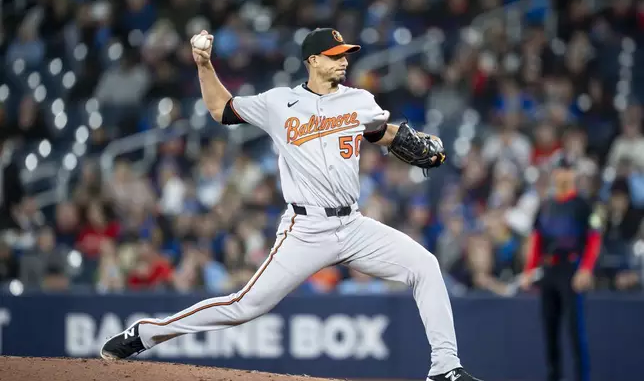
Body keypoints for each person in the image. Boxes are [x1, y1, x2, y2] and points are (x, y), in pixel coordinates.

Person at [100, 28, 481, 381]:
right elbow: (221, 110)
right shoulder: (279, 102)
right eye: (334, 56)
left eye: (346, 55)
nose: (344, 61)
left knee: (425, 266)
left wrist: (418, 141)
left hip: (354, 225)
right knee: (244, 307)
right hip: (306, 228)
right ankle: (148, 333)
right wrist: (204, 65)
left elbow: (382, 133)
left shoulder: (361, 100)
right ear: (312, 60)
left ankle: (444, 368)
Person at [521, 153, 601, 381]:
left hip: (572, 269)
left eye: (567, 170)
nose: (563, 175)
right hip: (549, 270)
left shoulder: (583, 205)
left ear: (573, 174)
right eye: (559, 170)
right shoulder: (546, 205)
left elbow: (594, 238)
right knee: (550, 330)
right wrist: (529, 270)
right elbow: (536, 239)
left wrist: (586, 269)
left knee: (576, 332)